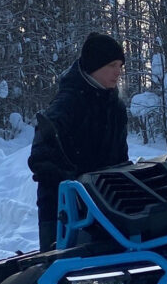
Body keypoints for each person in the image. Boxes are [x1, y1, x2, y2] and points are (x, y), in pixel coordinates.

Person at [28, 32, 128, 250]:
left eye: (120, 65)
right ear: (94, 66)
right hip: (62, 211)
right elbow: (40, 158)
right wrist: (75, 184)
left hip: (109, 207)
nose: (118, 71)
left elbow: (121, 158)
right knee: (60, 266)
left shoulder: (117, 108)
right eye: (112, 65)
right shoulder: (66, 104)